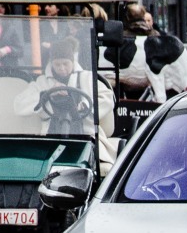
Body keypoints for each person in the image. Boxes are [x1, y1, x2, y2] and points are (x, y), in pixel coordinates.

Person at [12, 37, 119, 173]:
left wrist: (84, 105)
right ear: (51, 63)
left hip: (87, 135)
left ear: (72, 61)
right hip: (50, 137)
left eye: (65, 64)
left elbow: (108, 98)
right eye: (57, 64)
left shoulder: (87, 78)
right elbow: (19, 105)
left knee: (103, 168)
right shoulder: (42, 82)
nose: (62, 68)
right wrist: (45, 95)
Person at [0, 2, 23, 68]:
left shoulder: (11, 28)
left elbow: (20, 50)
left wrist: (7, 50)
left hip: (10, 69)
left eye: (3, 7)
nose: (0, 9)